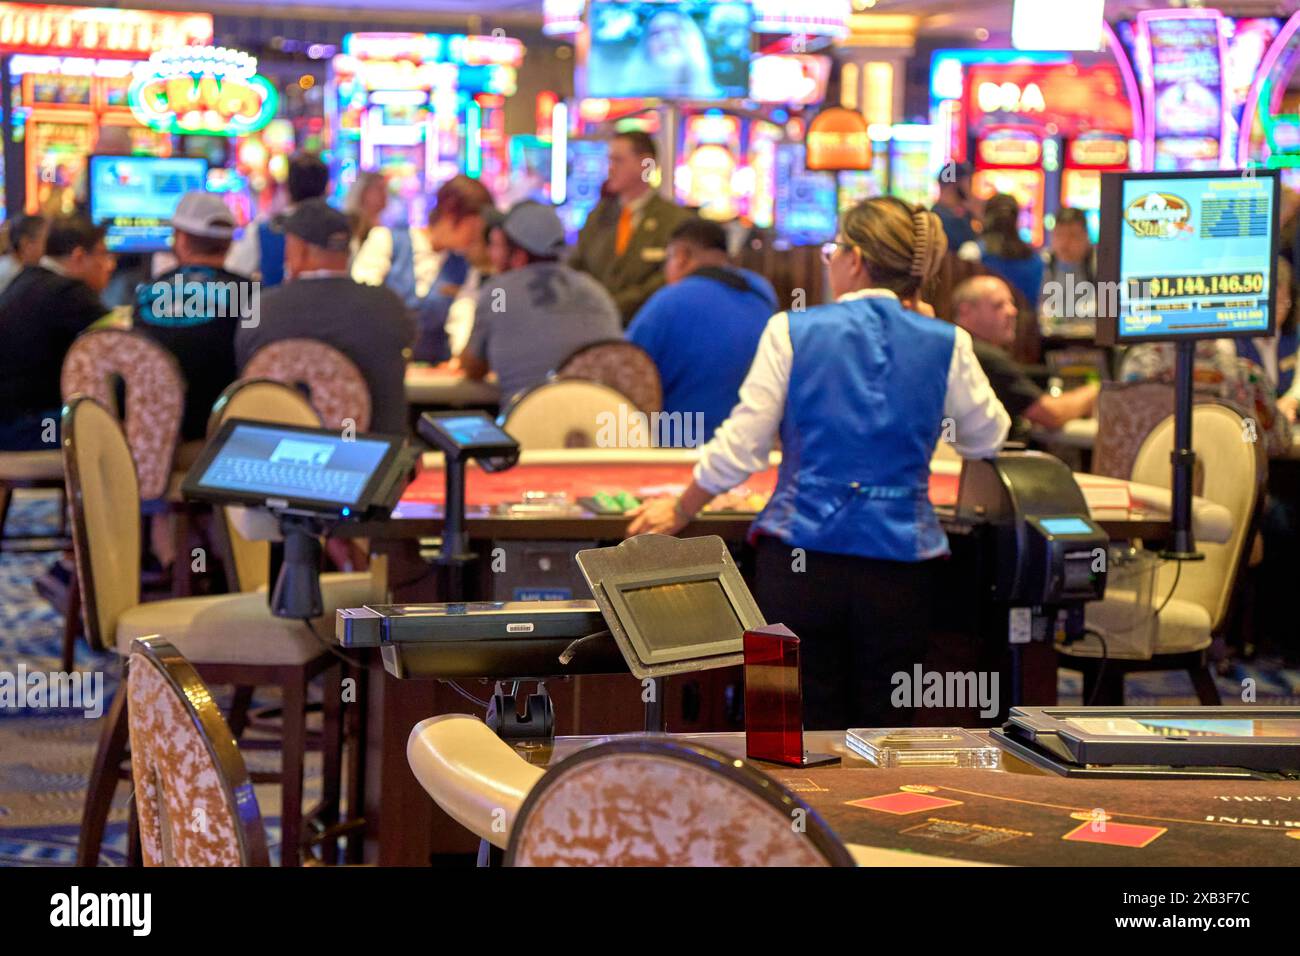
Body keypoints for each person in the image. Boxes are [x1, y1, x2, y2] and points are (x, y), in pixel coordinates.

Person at [628, 197, 1010, 730]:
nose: (830, 263)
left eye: (833, 251)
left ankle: (800, 815)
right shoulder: (948, 341)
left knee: (791, 731)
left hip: (801, 561)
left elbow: (743, 445)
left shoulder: (791, 331)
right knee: (884, 732)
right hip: (901, 565)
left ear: (854, 260)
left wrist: (682, 506)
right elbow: (988, 435)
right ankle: (876, 815)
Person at [235, 199, 413, 434]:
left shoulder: (261, 308)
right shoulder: (388, 305)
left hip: (284, 460)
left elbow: (248, 377)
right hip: (377, 459)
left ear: (299, 250)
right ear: (348, 250)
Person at [453, 201, 620, 405]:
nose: (492, 255)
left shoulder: (498, 293)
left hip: (528, 424)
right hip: (598, 424)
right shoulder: (595, 291)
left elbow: (474, 368)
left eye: (499, 246)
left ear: (519, 256)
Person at [626, 217, 777, 442]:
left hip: (680, 449)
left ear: (681, 256)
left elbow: (626, 373)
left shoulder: (667, 302)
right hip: (753, 445)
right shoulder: (762, 291)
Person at [134, 191, 250, 443]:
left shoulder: (144, 295)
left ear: (181, 239)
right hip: (225, 437)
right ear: (229, 243)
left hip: (152, 440)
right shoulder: (252, 295)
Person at [0, 215, 114, 450]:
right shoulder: (69, 292)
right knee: (113, 431)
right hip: (33, 430)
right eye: (103, 254)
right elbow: (129, 344)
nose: (110, 264)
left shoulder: (25, 280)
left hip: (10, 425)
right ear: (79, 256)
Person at [352, 174, 492, 363]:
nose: (476, 236)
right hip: (380, 366)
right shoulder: (385, 241)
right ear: (450, 214)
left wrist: (461, 360)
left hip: (434, 378)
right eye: (473, 228)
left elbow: (462, 320)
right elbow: (362, 300)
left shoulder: (466, 269)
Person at [953, 275, 1098, 438]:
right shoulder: (981, 355)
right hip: (996, 460)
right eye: (998, 305)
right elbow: (1051, 415)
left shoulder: (963, 348)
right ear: (966, 312)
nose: (1012, 311)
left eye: (1011, 303)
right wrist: (1095, 392)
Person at [571, 131, 691, 324]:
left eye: (618, 161)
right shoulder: (598, 216)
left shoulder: (675, 221)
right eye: (609, 161)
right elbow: (577, 266)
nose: (610, 169)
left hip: (646, 325)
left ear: (646, 165)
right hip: (595, 325)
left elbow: (664, 282)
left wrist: (613, 305)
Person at [1120, 336, 1293, 458]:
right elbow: (1278, 442)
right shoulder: (1245, 376)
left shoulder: (1139, 366)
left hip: (1145, 496)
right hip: (1227, 498)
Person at [225, 151, 330, 288]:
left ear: (287, 188)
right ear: (326, 188)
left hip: (273, 305)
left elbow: (234, 271)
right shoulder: (342, 230)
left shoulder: (263, 230)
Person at [979, 193, 1043, 308]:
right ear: (1017, 220)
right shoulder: (1035, 260)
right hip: (1026, 323)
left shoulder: (973, 255)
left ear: (986, 219)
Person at [1038, 207, 1097, 325]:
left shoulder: (1098, 265)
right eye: (1059, 235)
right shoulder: (1042, 265)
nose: (1065, 243)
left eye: (1073, 236)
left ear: (1086, 238)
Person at [931, 163, 980, 257]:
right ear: (956, 184)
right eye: (969, 182)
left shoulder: (935, 215)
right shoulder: (947, 220)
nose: (971, 189)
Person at [343, 170, 389, 257]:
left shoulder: (381, 225)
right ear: (363, 192)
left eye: (385, 189)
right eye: (379, 189)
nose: (385, 195)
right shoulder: (351, 225)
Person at [0, 214, 48, 295]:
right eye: (46, 239)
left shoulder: (44, 265)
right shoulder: (7, 274)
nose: (50, 244)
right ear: (25, 243)